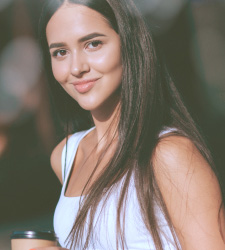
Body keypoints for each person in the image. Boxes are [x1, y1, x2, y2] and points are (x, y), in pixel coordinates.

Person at [36, 0, 225, 249]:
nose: (76, 68)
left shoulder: (169, 155)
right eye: (60, 52)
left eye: (93, 44)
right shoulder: (67, 156)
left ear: (129, 43)